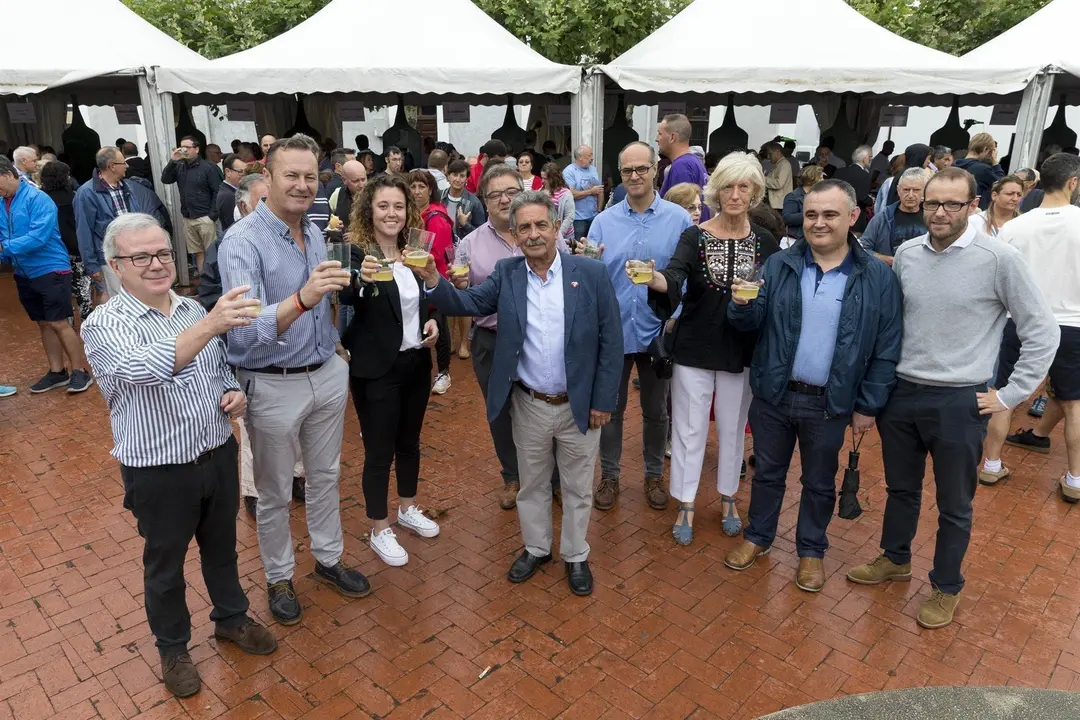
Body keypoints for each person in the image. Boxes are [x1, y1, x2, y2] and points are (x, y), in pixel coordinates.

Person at [847, 167, 1058, 629]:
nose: (939, 213)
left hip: (960, 401)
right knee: (900, 489)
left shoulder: (999, 259)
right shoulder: (908, 254)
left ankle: (946, 586)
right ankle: (895, 558)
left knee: (954, 505)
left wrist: (1011, 394)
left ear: (973, 205)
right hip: (903, 393)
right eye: (932, 203)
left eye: (952, 204)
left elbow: (1042, 330)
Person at [80, 213, 277, 698]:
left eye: (163, 253)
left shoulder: (190, 310)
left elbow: (217, 369)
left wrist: (233, 392)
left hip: (216, 453)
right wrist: (211, 324)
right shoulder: (103, 324)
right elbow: (144, 368)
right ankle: (173, 648)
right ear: (115, 266)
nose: (156, 264)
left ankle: (231, 618)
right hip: (158, 469)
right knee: (165, 567)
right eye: (140, 257)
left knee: (222, 549)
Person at [415, 190, 623, 596]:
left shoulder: (591, 273)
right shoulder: (508, 273)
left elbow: (611, 341)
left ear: (557, 227)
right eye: (524, 227)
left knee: (578, 487)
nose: (533, 234)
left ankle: (575, 555)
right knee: (532, 484)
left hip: (579, 405)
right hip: (529, 403)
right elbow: (468, 301)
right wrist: (433, 280)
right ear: (515, 232)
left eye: (541, 224)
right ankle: (537, 548)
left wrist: (603, 400)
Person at [218, 135, 370, 626]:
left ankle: (328, 558)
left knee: (325, 477)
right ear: (267, 176)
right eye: (292, 175)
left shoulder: (316, 231)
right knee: (275, 491)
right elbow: (245, 328)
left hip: (325, 373)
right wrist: (304, 298)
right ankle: (279, 576)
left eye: (310, 177)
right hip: (272, 383)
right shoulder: (242, 241)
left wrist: (334, 341)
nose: (303, 185)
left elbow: (324, 301)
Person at [723, 180, 902, 591]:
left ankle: (810, 550)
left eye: (829, 214)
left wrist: (868, 405)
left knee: (819, 482)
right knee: (767, 474)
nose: (818, 223)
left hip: (829, 401)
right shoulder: (779, 264)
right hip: (774, 393)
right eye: (811, 215)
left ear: (853, 217)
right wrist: (740, 306)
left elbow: (887, 346)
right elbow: (749, 324)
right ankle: (758, 536)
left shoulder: (877, 276)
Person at [641, 152, 781, 543]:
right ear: (716, 191)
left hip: (742, 348)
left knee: (734, 428)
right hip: (694, 346)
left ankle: (728, 497)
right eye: (727, 187)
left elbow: (777, 289)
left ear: (753, 192)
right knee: (689, 428)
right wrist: (654, 279)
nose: (734, 195)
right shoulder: (695, 236)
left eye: (743, 187)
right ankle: (686, 501)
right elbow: (674, 276)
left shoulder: (765, 240)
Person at [342, 175, 443, 566]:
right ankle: (379, 526)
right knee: (379, 451)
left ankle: (407, 507)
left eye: (398, 206)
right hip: (375, 368)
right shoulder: (358, 254)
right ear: (369, 209)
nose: (391, 213)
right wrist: (359, 278)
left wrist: (432, 321)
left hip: (415, 361)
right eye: (383, 205)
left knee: (410, 442)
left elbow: (422, 301)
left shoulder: (413, 252)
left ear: (408, 212)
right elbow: (345, 291)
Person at [586, 141, 691, 511]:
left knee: (656, 410)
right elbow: (592, 277)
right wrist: (586, 261)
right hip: (613, 331)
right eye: (627, 170)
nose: (634, 176)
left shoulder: (679, 219)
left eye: (641, 168)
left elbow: (687, 275)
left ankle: (653, 475)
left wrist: (675, 316)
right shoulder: (603, 222)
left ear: (654, 170)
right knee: (610, 409)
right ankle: (610, 476)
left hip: (657, 330)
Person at [453, 164, 566, 508]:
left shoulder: (548, 233)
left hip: (542, 337)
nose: (504, 199)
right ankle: (512, 476)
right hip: (493, 340)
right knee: (500, 411)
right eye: (495, 194)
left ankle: (555, 479)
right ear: (484, 201)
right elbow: (464, 295)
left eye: (511, 192)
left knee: (549, 405)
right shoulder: (469, 244)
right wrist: (457, 286)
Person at [980, 154, 1080, 499]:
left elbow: (995, 276)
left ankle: (991, 464)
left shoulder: (1014, 227)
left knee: (1004, 396)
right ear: (1072, 182)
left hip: (1020, 321)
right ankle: (1075, 479)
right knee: (1074, 403)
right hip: (1072, 324)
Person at [0, 156, 94, 394]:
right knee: (43, 323)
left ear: (9, 174)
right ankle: (57, 371)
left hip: (50, 267)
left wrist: (4, 248)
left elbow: (38, 237)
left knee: (59, 322)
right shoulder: (3, 202)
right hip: (24, 271)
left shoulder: (37, 198)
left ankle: (80, 371)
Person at [75, 147, 170, 303]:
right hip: (109, 257)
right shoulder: (86, 193)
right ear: (112, 166)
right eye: (123, 162)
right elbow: (84, 231)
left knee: (140, 295)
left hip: (135, 254)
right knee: (121, 300)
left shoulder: (128, 187)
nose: (127, 166)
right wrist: (91, 265)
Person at [407, 169, 455, 395]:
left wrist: (409, 254)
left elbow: (438, 254)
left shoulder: (435, 218)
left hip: (435, 279)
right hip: (417, 277)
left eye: (422, 187)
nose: (417, 191)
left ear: (430, 190)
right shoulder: (415, 213)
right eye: (413, 186)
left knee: (439, 324)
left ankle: (444, 372)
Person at [161, 135, 221, 273]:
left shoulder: (208, 167)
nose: (184, 150)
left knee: (212, 253)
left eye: (187, 147)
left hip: (205, 217)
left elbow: (217, 191)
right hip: (188, 218)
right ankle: (203, 281)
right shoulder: (180, 166)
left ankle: (215, 282)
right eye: (182, 147)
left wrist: (212, 215)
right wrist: (173, 161)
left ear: (197, 149)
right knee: (198, 253)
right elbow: (165, 179)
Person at [40, 161, 91, 322]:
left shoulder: (40, 198)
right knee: (83, 289)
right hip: (76, 249)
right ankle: (87, 323)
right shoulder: (74, 196)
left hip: (53, 251)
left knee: (63, 290)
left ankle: (68, 322)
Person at [860, 167, 930, 266]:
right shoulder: (883, 218)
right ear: (898, 190)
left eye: (916, 190)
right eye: (906, 190)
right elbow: (862, 249)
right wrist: (887, 260)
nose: (910, 195)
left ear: (924, 191)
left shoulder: (931, 218)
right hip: (890, 273)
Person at [657, 114, 708, 197]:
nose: (657, 139)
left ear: (672, 137)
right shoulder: (694, 161)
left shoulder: (681, 166)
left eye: (660, 134)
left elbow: (680, 203)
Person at [954, 133, 1005, 210]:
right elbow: (1002, 185)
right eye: (991, 151)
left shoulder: (954, 165)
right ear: (985, 149)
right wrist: (995, 163)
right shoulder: (983, 169)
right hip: (975, 210)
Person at [564, 145, 604, 238]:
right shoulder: (569, 171)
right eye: (589, 155)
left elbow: (600, 190)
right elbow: (571, 194)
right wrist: (590, 191)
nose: (592, 158)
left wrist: (599, 210)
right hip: (578, 219)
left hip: (594, 216)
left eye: (592, 155)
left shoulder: (593, 169)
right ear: (580, 157)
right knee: (579, 245)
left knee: (593, 244)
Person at [442, 158, 485, 240]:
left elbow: (481, 234)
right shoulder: (439, 197)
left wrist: (465, 224)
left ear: (467, 178)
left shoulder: (474, 202)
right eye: (454, 175)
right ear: (448, 176)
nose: (458, 179)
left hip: (463, 246)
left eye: (462, 176)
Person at [834, 145, 873, 231]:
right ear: (864, 159)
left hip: (837, 212)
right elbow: (862, 198)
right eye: (870, 157)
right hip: (855, 217)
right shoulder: (864, 175)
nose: (871, 159)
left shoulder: (839, 171)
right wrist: (872, 200)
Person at [782, 166, 824, 243]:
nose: (823, 180)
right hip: (796, 240)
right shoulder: (793, 196)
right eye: (821, 178)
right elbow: (787, 219)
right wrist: (810, 213)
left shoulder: (820, 196)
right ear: (812, 179)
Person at [542, 161, 575, 247]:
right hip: (547, 235)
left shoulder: (566, 193)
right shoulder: (540, 191)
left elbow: (569, 217)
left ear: (553, 178)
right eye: (542, 178)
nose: (542, 181)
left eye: (545, 179)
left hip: (565, 235)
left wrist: (558, 235)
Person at [332, 159, 368, 233]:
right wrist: (334, 226)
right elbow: (329, 222)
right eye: (355, 181)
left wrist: (357, 235)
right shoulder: (338, 193)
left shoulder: (375, 195)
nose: (361, 185)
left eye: (363, 179)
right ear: (344, 180)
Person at [215, 154, 247, 234]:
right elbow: (232, 226)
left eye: (245, 171)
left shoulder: (229, 191)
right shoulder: (228, 196)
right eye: (240, 172)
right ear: (228, 172)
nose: (244, 175)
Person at [763, 142, 793, 211]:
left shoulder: (784, 164)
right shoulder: (778, 164)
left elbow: (778, 184)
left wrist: (762, 179)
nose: (768, 157)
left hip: (779, 206)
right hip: (776, 204)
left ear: (777, 152)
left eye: (770, 154)